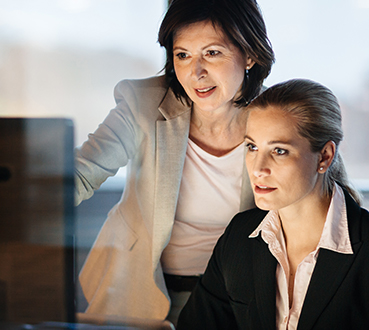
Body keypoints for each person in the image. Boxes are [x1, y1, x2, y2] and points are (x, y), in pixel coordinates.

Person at [75, 0, 275, 322]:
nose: (195, 72)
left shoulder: (280, 116)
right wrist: (14, 212)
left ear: (250, 54)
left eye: (212, 53)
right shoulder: (144, 104)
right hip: (136, 287)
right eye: (183, 55)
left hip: (236, 297)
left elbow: (333, 198)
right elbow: (81, 175)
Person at [177, 79, 369, 329]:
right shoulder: (239, 237)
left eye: (279, 151)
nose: (258, 168)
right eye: (252, 147)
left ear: (325, 156)